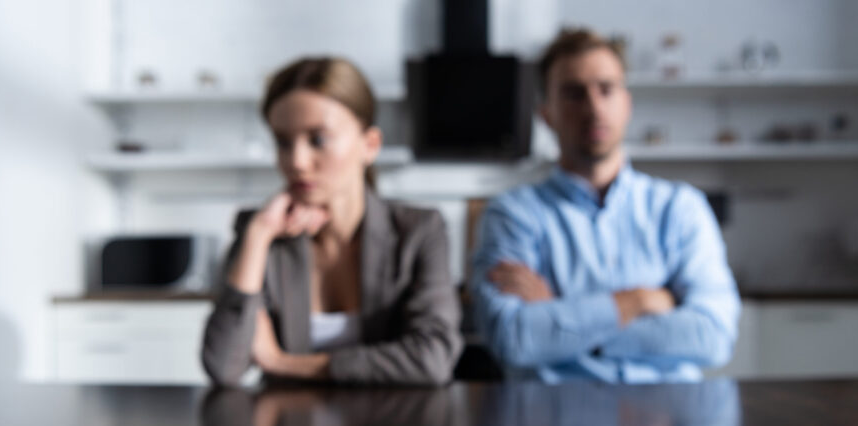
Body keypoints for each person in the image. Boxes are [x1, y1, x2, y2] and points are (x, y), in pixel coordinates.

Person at [470, 29, 740, 383]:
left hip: (668, 420)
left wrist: (559, 320)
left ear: (627, 102)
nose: (594, 108)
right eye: (573, 93)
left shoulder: (680, 208)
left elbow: (714, 336)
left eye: (606, 89)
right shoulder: (511, 215)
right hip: (553, 420)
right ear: (546, 114)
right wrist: (637, 302)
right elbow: (514, 338)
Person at [202, 57, 462, 386]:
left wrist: (283, 363)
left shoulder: (419, 231)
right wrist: (258, 236)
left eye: (318, 140)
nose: (296, 162)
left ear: (370, 145)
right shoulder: (261, 232)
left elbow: (433, 359)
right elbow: (223, 367)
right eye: (283, 142)